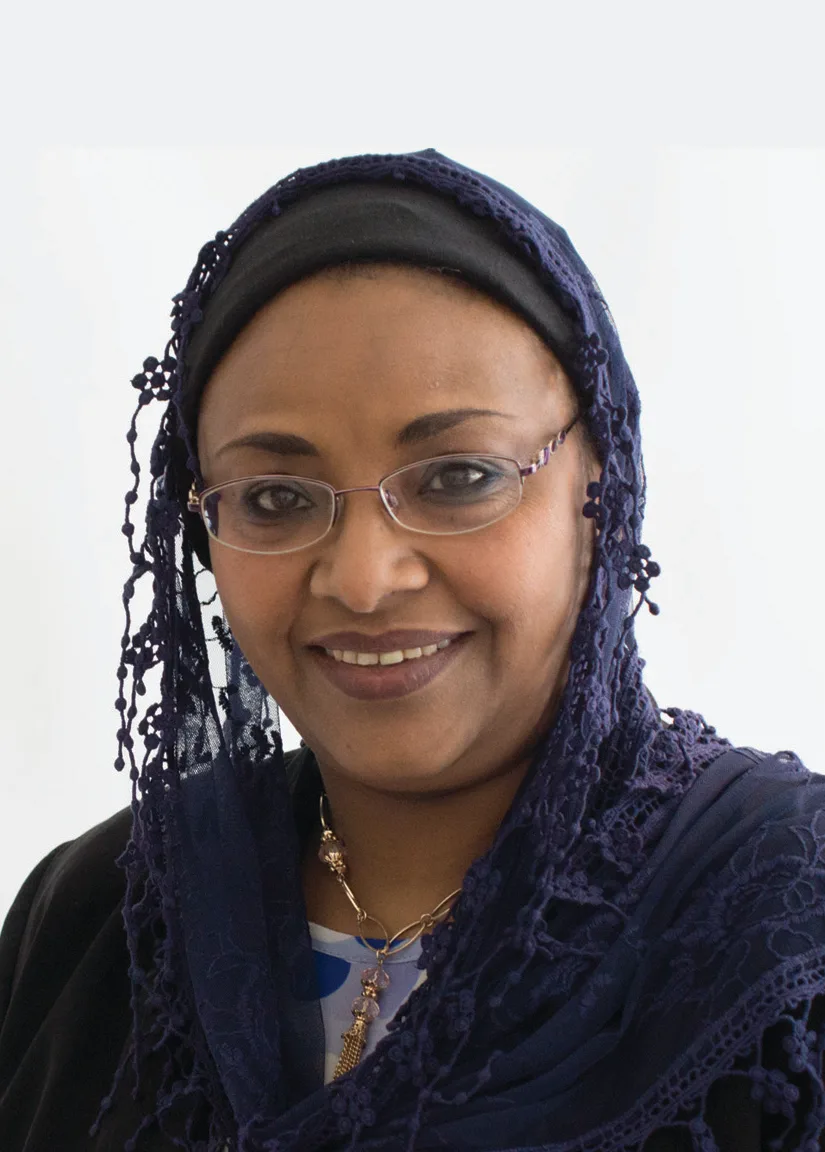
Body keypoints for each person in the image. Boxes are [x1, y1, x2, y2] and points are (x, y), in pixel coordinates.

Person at [1, 148, 823, 1152]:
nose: (363, 579)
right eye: (275, 497)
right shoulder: (100, 913)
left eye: (457, 478)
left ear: (601, 489)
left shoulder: (784, 923)